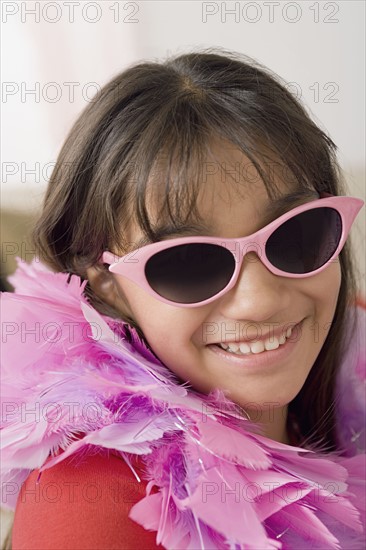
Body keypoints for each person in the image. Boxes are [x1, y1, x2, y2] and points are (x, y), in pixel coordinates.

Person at [1, 48, 365, 550]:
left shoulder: (355, 369)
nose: (258, 301)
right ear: (104, 281)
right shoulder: (88, 508)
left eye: (296, 235)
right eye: (191, 263)